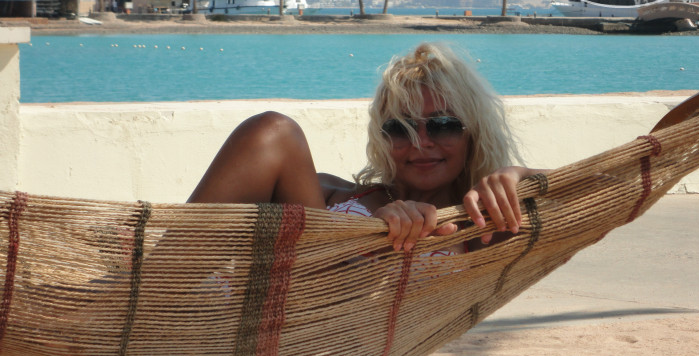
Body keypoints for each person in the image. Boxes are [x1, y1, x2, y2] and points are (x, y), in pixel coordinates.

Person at [188, 43, 544, 253]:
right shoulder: (331, 191)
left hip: (323, 329)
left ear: (473, 133)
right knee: (273, 132)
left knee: (277, 133)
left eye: (443, 125)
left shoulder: (483, 226)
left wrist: (520, 174)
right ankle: (160, 289)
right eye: (399, 128)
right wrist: (367, 229)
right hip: (219, 313)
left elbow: (580, 202)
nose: (420, 141)